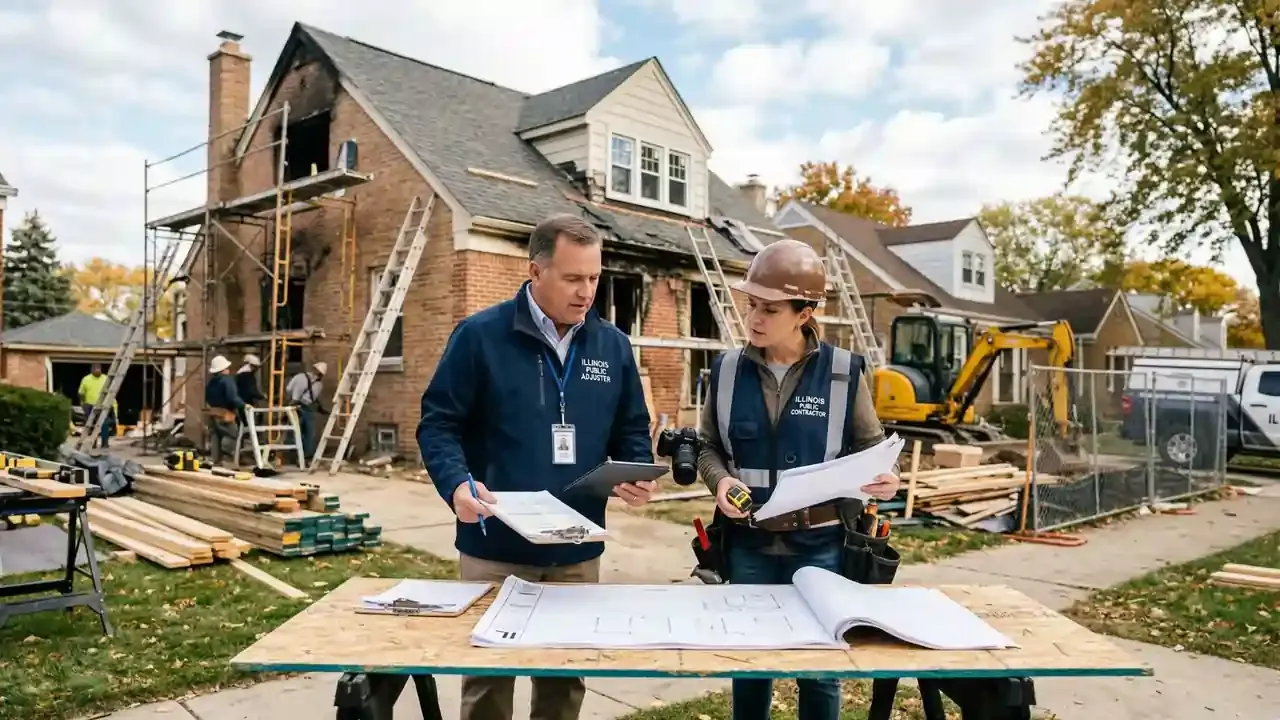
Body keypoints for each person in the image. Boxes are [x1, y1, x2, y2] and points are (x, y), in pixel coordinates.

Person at [418, 213, 658, 720]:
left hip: (576, 549)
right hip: (495, 547)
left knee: (563, 684)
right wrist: (456, 484)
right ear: (536, 271)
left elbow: (632, 427)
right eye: (573, 278)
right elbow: (439, 425)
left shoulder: (611, 345)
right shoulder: (480, 336)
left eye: (594, 277)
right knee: (487, 685)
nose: (586, 291)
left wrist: (635, 470)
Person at [697, 239, 902, 720]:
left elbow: (872, 449)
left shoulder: (843, 373)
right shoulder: (726, 370)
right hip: (747, 544)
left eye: (770, 308)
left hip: (822, 545)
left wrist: (885, 478)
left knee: (820, 670)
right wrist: (720, 482)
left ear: (804, 313)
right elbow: (708, 446)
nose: (755, 319)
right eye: (752, 306)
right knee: (750, 667)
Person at [204, 354, 246, 466]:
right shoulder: (227, 380)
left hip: (213, 413)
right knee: (233, 435)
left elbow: (207, 397)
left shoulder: (211, 383)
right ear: (224, 369)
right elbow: (232, 397)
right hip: (226, 414)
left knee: (216, 436)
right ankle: (229, 461)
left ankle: (216, 461)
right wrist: (244, 405)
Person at [286, 361, 326, 462]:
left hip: (294, 407)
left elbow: (289, 389)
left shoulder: (299, 376)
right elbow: (312, 398)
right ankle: (306, 457)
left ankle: (292, 456)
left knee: (293, 431)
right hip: (308, 409)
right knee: (309, 433)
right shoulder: (319, 385)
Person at [77, 364, 116, 448]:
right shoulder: (86, 379)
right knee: (91, 425)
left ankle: (105, 443)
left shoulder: (106, 378)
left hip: (103, 405)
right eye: (95, 370)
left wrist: (110, 403)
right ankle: (93, 443)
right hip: (90, 405)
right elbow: (81, 393)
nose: (97, 371)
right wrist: (83, 403)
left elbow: (111, 391)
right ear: (92, 370)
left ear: (101, 369)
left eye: (99, 369)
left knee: (104, 424)